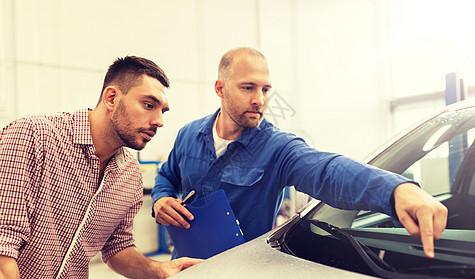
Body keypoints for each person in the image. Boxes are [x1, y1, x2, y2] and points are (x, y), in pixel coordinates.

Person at [152, 47, 447, 260]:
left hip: (238, 273)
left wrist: (396, 190)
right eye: (248, 87)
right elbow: (167, 175)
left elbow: (326, 170)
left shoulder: (276, 147)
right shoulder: (189, 135)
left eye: (266, 89)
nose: (260, 100)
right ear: (220, 88)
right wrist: (161, 200)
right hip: (184, 265)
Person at [0, 56, 201, 279]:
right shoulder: (32, 137)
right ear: (112, 98)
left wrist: (160, 269)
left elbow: (118, 249)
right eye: (149, 105)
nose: (158, 121)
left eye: (162, 111)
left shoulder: (129, 175)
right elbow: (3, 246)